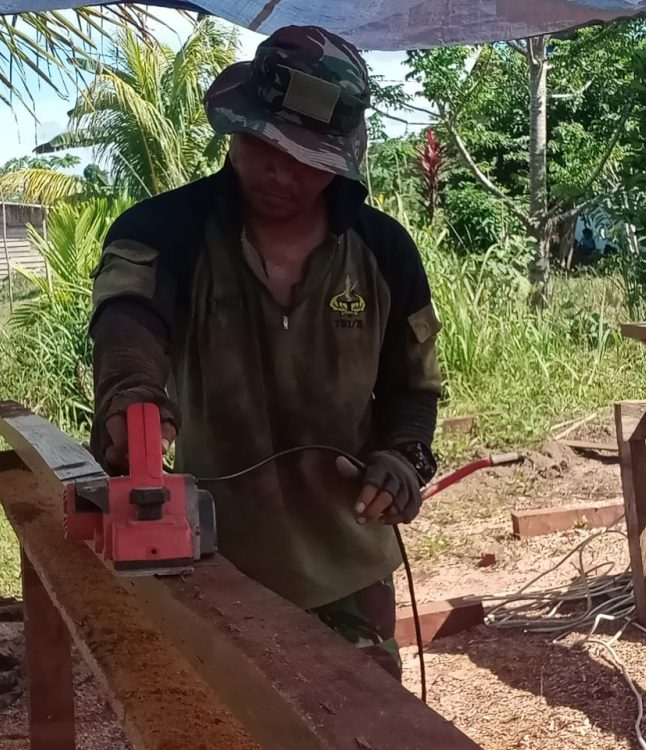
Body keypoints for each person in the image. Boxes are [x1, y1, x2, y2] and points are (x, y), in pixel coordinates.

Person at [89, 25, 442, 679]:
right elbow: (128, 321)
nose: (279, 172)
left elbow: (414, 389)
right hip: (217, 566)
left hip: (349, 570)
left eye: (304, 157)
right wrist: (131, 394)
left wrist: (402, 456)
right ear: (234, 129)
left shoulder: (386, 252)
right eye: (261, 143)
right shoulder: (165, 232)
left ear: (340, 155)